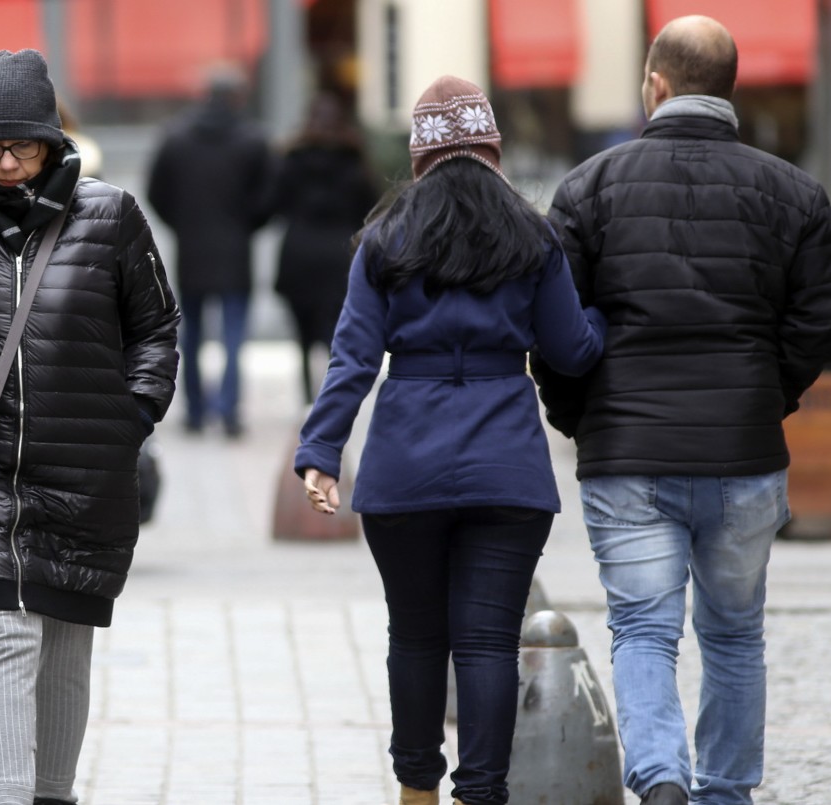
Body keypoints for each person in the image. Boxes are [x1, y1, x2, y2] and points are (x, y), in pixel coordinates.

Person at [529, 16, 831, 805]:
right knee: (736, 633)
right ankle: (726, 793)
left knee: (643, 629)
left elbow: (551, 323)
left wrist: (583, 414)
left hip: (629, 452)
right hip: (744, 453)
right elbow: (826, 307)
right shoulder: (794, 193)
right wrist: (771, 392)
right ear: (729, 88)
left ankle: (662, 775)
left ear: (655, 86)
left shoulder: (588, 188)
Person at [296, 75, 604, 805]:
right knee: (489, 642)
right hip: (508, 465)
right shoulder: (534, 238)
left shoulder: (385, 240)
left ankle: (415, 790)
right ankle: (481, 793)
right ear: (491, 149)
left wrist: (321, 452)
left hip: (405, 466)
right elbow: (573, 351)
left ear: (421, 154)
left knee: (415, 636)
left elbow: (354, 359)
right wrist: (610, 320)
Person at [0, 49, 179, 805]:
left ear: (54, 142)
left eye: (24, 145)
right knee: (3, 635)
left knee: (63, 646)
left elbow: (156, 325)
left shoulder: (111, 215)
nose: (10, 163)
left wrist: (135, 414)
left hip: (86, 468)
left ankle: (53, 793)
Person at [146, 64, 273, 437]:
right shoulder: (253, 140)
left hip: (192, 251)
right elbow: (270, 195)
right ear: (237, 97)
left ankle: (196, 412)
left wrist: (182, 225)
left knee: (192, 336)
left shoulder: (176, 138)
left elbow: (157, 193)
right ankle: (230, 412)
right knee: (233, 337)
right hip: (235, 251)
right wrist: (247, 226)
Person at [271, 92, 380, 404]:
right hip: (339, 254)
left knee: (303, 335)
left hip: (299, 252)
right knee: (338, 330)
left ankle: (307, 395)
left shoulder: (292, 158)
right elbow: (372, 209)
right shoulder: (355, 159)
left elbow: (274, 203)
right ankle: (334, 397)